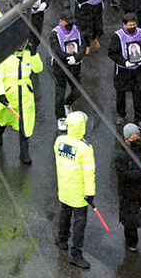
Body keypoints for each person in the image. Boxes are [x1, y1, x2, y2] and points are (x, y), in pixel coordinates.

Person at [54, 111, 96, 269]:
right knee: (79, 223)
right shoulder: (85, 148)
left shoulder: (59, 141)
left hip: (64, 188)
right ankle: (75, 254)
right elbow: (89, 172)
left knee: (65, 213)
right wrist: (90, 193)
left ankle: (62, 239)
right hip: (79, 193)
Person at [0, 42, 43, 164]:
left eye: (23, 42)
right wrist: (1, 94)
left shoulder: (28, 53)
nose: (20, 45)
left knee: (25, 123)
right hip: (10, 97)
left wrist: (34, 54)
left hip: (25, 96)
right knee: (4, 118)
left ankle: (24, 153)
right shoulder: (3, 56)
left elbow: (38, 68)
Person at [115, 124, 141, 253]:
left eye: (137, 136)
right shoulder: (120, 156)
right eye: (133, 137)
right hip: (128, 192)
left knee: (138, 214)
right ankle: (131, 242)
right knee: (130, 219)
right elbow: (124, 175)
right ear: (126, 139)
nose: (136, 139)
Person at [108, 12, 141, 128]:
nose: (132, 27)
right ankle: (121, 115)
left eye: (134, 25)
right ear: (124, 25)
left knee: (138, 93)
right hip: (122, 71)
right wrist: (124, 62)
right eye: (130, 25)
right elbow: (112, 53)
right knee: (121, 93)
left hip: (137, 70)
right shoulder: (117, 36)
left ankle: (139, 118)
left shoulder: (140, 33)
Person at [50, 14, 86, 132]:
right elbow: (56, 51)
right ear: (61, 21)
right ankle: (60, 117)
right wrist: (67, 58)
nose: (70, 24)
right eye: (67, 22)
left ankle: (67, 103)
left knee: (78, 90)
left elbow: (83, 46)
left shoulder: (77, 29)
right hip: (60, 67)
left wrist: (76, 57)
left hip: (75, 66)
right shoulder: (54, 34)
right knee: (60, 92)